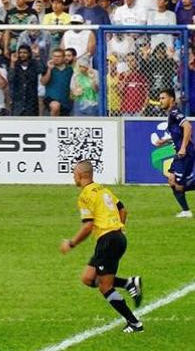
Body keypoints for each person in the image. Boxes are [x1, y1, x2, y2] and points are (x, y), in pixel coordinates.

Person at [60, 160, 143, 333]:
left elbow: (88, 226)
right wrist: (119, 229)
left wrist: (71, 243)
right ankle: (129, 283)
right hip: (117, 238)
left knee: (105, 286)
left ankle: (134, 323)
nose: (73, 177)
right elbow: (123, 210)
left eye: (74, 174)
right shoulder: (103, 189)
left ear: (81, 175)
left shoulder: (85, 195)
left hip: (108, 241)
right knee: (88, 278)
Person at [154, 88, 195, 217]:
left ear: (171, 99)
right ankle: (186, 211)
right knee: (172, 180)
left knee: (178, 185)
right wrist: (164, 141)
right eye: (159, 98)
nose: (160, 101)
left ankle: (186, 211)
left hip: (185, 153)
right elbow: (178, 134)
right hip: (180, 153)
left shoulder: (175, 112)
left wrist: (183, 148)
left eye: (163, 98)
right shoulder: (171, 113)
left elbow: (188, 127)